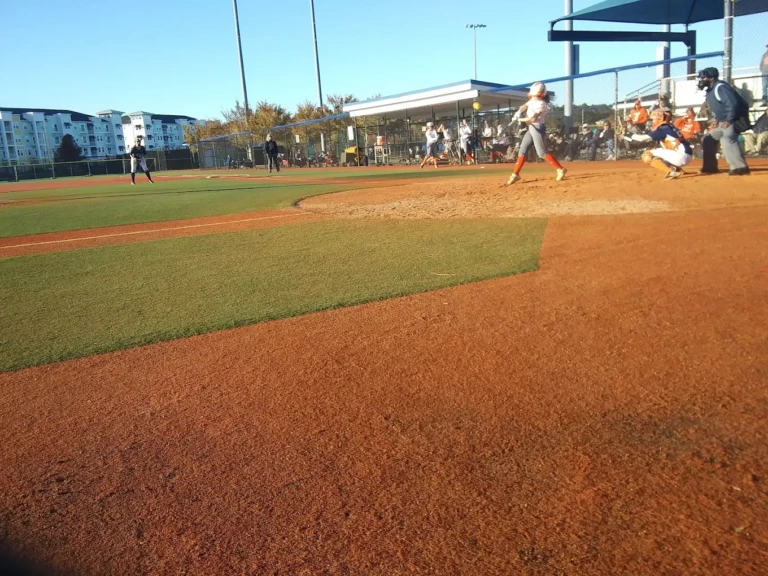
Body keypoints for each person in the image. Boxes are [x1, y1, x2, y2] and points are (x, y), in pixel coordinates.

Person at [505, 82, 566, 185]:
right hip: (531, 128)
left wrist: (520, 119)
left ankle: (560, 169)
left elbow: (532, 119)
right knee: (522, 151)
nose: (533, 97)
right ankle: (515, 174)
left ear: (541, 94)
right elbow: (525, 105)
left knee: (541, 153)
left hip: (538, 127)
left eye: (535, 95)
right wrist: (518, 112)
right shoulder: (534, 99)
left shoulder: (542, 104)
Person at [697, 67, 751, 176]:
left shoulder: (721, 87)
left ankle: (739, 167)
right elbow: (718, 108)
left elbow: (732, 104)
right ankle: (710, 167)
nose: (701, 80)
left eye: (704, 77)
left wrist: (729, 120)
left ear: (712, 78)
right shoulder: (710, 90)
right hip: (722, 120)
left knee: (727, 139)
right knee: (708, 139)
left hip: (734, 119)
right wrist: (715, 119)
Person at [641, 111, 693, 179]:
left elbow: (641, 139)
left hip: (680, 157)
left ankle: (672, 171)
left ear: (659, 119)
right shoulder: (668, 127)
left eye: (653, 119)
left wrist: (627, 135)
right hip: (687, 155)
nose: (652, 122)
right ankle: (676, 169)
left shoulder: (663, 128)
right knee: (657, 153)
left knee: (646, 154)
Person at [761, 42, 768, 107]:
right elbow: (761, 64)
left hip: (765, 73)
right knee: (764, 88)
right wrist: (762, 70)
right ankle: (764, 102)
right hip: (765, 73)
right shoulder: (764, 55)